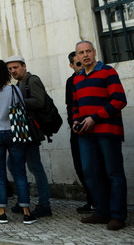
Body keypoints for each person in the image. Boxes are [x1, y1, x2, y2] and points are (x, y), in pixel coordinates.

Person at [73, 40, 127, 231]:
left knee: (113, 173)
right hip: (85, 133)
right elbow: (75, 105)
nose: (85, 55)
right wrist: (76, 120)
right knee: (90, 172)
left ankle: (118, 216)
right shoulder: (77, 79)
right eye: (81, 53)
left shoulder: (108, 72)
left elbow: (120, 100)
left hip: (107, 131)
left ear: (94, 52)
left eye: (88, 51)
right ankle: (102, 212)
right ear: (77, 57)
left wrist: (94, 118)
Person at [0, 60, 35, 224]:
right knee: (19, 172)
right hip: (13, 131)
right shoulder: (13, 89)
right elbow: (21, 107)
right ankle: (26, 212)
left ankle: (2, 212)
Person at [5, 55, 52, 218]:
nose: (13, 71)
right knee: (13, 165)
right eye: (10, 69)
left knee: (35, 167)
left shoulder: (33, 80)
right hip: (22, 130)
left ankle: (44, 204)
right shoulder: (19, 83)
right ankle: (23, 201)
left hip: (31, 131)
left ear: (24, 66)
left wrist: (17, 100)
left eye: (15, 68)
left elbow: (39, 101)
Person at [65, 51, 95, 214]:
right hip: (77, 130)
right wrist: (74, 124)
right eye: (78, 64)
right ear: (71, 65)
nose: (82, 66)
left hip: (94, 129)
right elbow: (70, 106)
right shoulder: (71, 81)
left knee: (97, 167)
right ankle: (92, 200)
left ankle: (101, 202)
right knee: (80, 166)